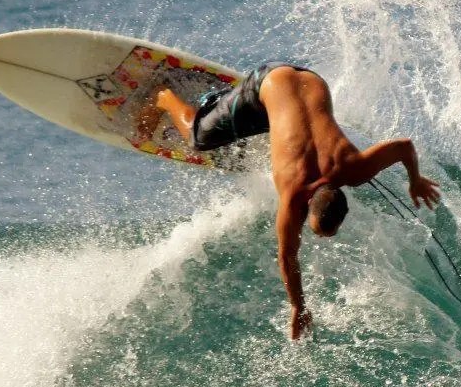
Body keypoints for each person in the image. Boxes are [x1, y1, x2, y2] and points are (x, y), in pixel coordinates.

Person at [137, 62, 441, 340]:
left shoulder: (355, 169)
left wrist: (415, 180)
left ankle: (240, 110)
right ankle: (165, 95)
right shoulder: (294, 194)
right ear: (307, 206)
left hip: (309, 78)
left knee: (273, 123)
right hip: (265, 81)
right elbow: (287, 256)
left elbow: (404, 146)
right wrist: (298, 307)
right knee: (199, 139)